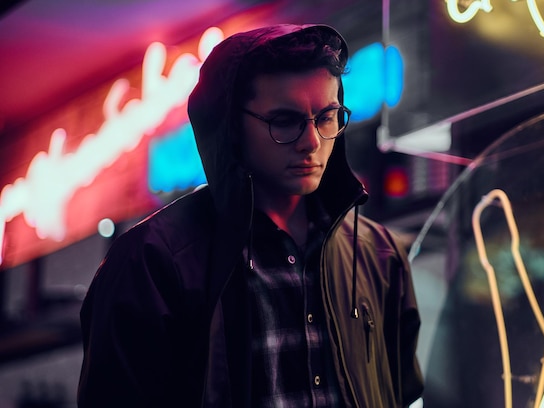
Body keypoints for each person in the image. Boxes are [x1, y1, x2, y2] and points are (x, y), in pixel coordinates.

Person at [77, 23, 424, 408]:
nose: (311, 143)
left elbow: (401, 393)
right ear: (231, 126)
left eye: (327, 117)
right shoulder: (151, 262)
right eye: (284, 122)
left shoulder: (380, 255)